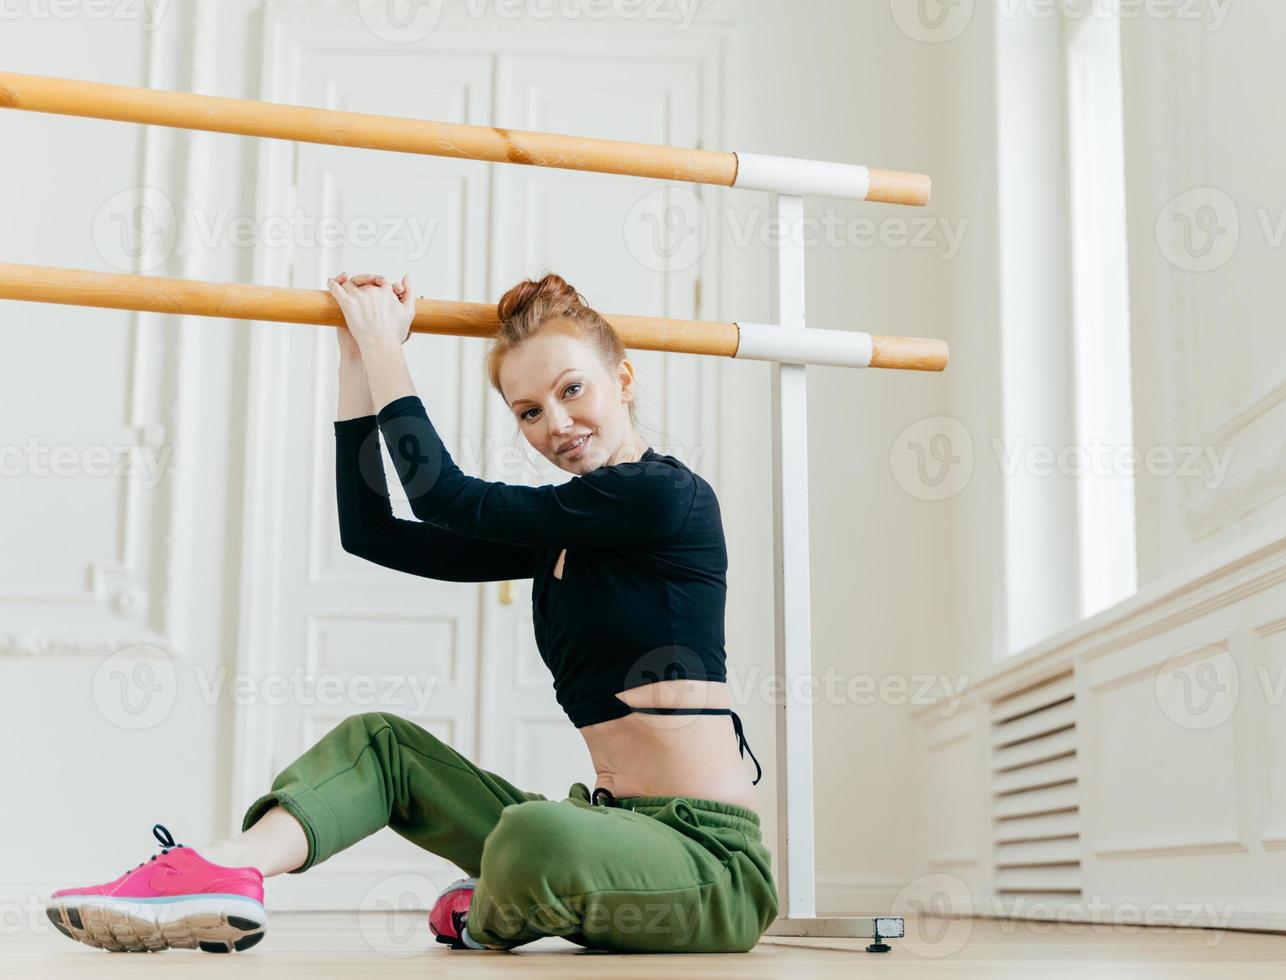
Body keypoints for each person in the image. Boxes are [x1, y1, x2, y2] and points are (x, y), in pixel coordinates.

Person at [45, 271, 775, 955]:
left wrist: (387, 345)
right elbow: (374, 534)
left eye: (572, 389)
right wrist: (357, 365)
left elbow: (443, 495)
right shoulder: (569, 533)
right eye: (529, 411)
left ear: (622, 378)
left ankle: (505, 898)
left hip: (708, 861)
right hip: (609, 832)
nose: (557, 423)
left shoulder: (664, 497)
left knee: (534, 836)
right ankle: (221, 868)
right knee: (382, 745)